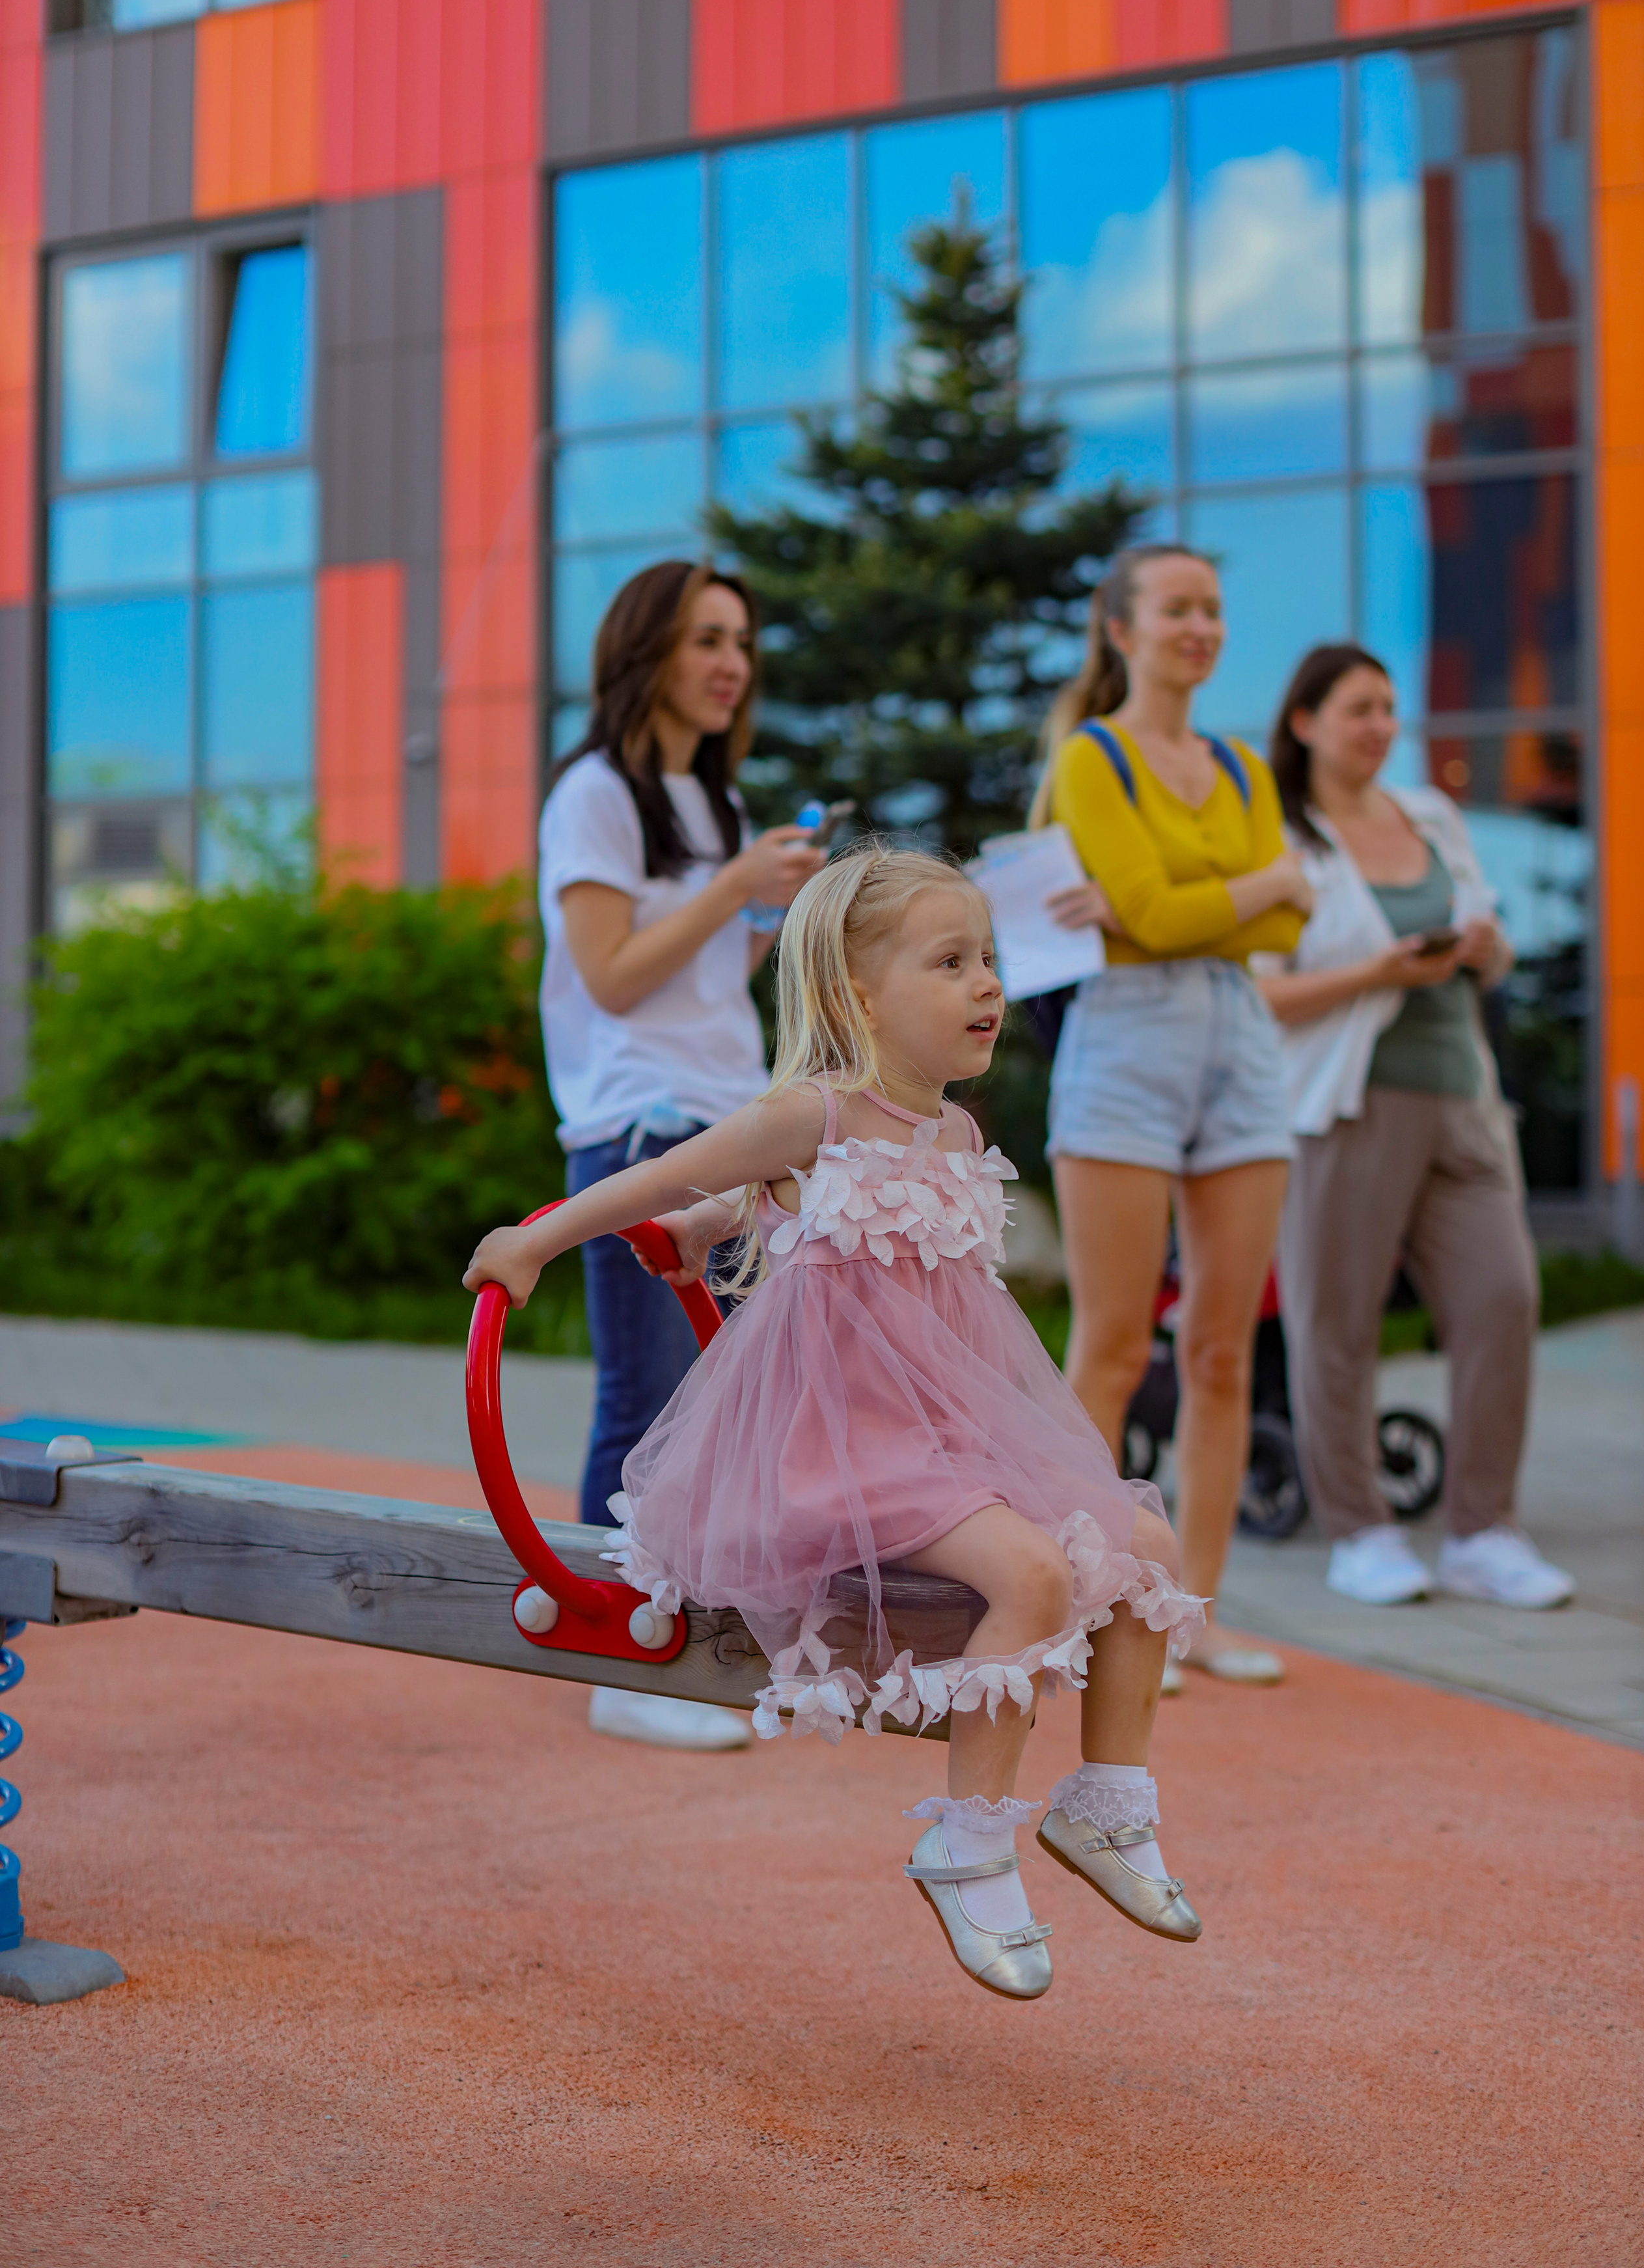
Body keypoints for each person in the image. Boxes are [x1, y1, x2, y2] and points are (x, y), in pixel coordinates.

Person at [468, 845, 1208, 2002]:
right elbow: (668, 1176)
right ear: (859, 994)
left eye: (992, 961)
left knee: (1150, 1546)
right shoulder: (813, 1114)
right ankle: (967, 1845)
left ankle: (1107, 1804)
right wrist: (537, 1240)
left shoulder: (960, 1139)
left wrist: (733, 1214)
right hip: (843, 1451)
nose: (988, 987)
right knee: (1030, 1572)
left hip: (947, 1437)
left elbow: (833, 1249)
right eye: (951, 961)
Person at [537, 559, 825, 1749]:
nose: (731, 664)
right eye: (708, 638)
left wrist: (761, 913)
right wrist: (731, 890)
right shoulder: (594, 793)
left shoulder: (710, 802)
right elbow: (611, 976)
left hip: (717, 1114)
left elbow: (703, 981)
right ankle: (618, 1659)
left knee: (717, 1403)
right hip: (634, 1123)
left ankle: (677, 1641)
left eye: (743, 642)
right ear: (644, 650)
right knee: (643, 1394)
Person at [1030, 545, 1313, 1688]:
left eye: (1213, 609)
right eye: (1177, 608)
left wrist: (1175, 915)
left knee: (1223, 1352)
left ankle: (1186, 1619)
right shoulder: (1090, 759)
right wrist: (1263, 888)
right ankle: (1068, 1598)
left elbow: (1271, 936)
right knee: (1110, 1345)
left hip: (1238, 1042)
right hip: (1129, 1041)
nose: (1200, 626)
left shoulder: (1244, 766)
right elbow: (1193, 909)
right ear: (1122, 629)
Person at [1256, 644, 1573, 1611]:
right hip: (1348, 1109)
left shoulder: (1430, 814)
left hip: (1463, 1098)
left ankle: (1484, 1530)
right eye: (1359, 709)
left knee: (1502, 1300)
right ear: (1306, 722)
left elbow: (1493, 938)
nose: (1381, 727)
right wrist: (1374, 974)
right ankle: (1360, 1531)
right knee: (1336, 1324)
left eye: (1389, 709)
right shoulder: (1280, 841)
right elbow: (1263, 996)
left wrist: (1484, 946)